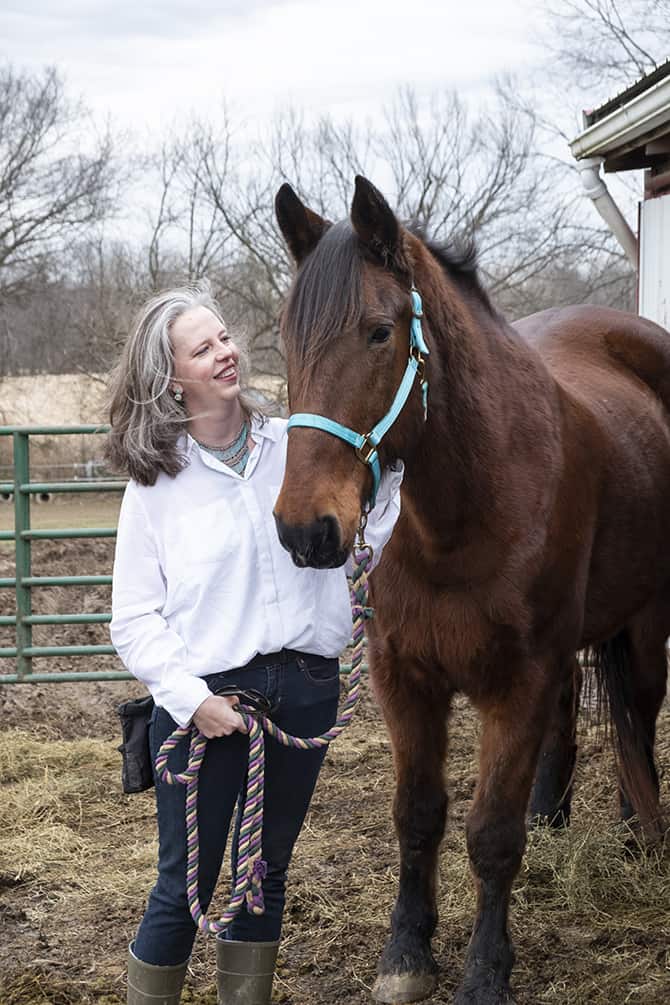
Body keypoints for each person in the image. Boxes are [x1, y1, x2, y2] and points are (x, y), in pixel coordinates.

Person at [108, 281, 403, 1005]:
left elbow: (355, 545)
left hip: (305, 689)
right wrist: (191, 701)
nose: (225, 353)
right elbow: (133, 618)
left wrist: (390, 480)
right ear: (171, 378)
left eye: (225, 338)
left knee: (265, 872)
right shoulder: (157, 486)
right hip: (211, 701)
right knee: (184, 885)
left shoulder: (294, 448)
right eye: (202, 349)